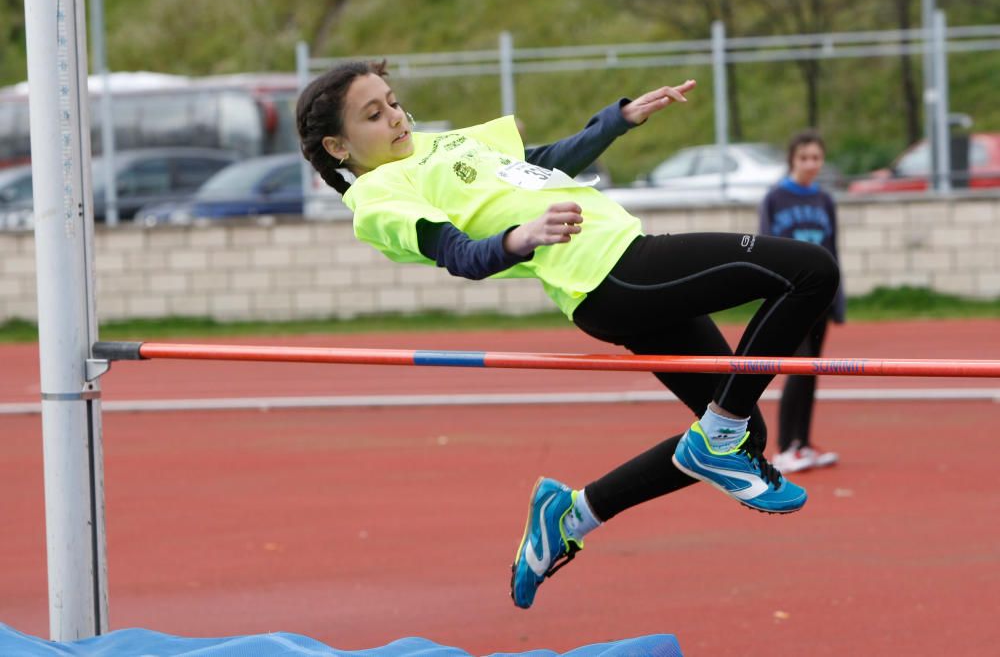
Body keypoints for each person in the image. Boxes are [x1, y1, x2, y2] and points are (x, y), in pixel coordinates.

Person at [296, 61, 840, 610]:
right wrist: (516, 239)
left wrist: (617, 121)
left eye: (392, 102)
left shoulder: (433, 144)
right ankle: (718, 438)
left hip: (617, 278)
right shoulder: (377, 197)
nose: (394, 117)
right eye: (373, 114)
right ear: (339, 147)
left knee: (744, 433)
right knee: (811, 271)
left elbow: (537, 166)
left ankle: (570, 514)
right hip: (614, 271)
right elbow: (457, 253)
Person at [758, 130, 846, 474]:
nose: (811, 164)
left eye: (816, 158)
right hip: (790, 297)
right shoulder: (775, 199)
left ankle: (804, 443)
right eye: (804, 158)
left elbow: (834, 250)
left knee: (813, 370)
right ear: (792, 160)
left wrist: (838, 298)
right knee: (799, 366)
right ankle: (785, 447)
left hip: (820, 298)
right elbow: (766, 248)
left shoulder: (824, 200)